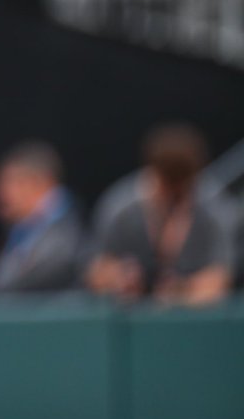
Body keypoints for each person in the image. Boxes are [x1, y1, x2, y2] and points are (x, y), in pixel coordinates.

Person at [85, 123, 232, 306]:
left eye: (182, 189)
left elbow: (220, 278)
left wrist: (182, 291)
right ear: (153, 173)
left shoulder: (212, 206)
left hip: (194, 323)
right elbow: (96, 272)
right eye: (167, 186)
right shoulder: (120, 206)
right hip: (131, 321)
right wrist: (118, 278)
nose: (172, 195)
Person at [0, 141, 84, 294]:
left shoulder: (68, 235)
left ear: (41, 182)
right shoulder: (19, 230)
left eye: (12, 182)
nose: (0, 193)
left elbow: (6, 286)